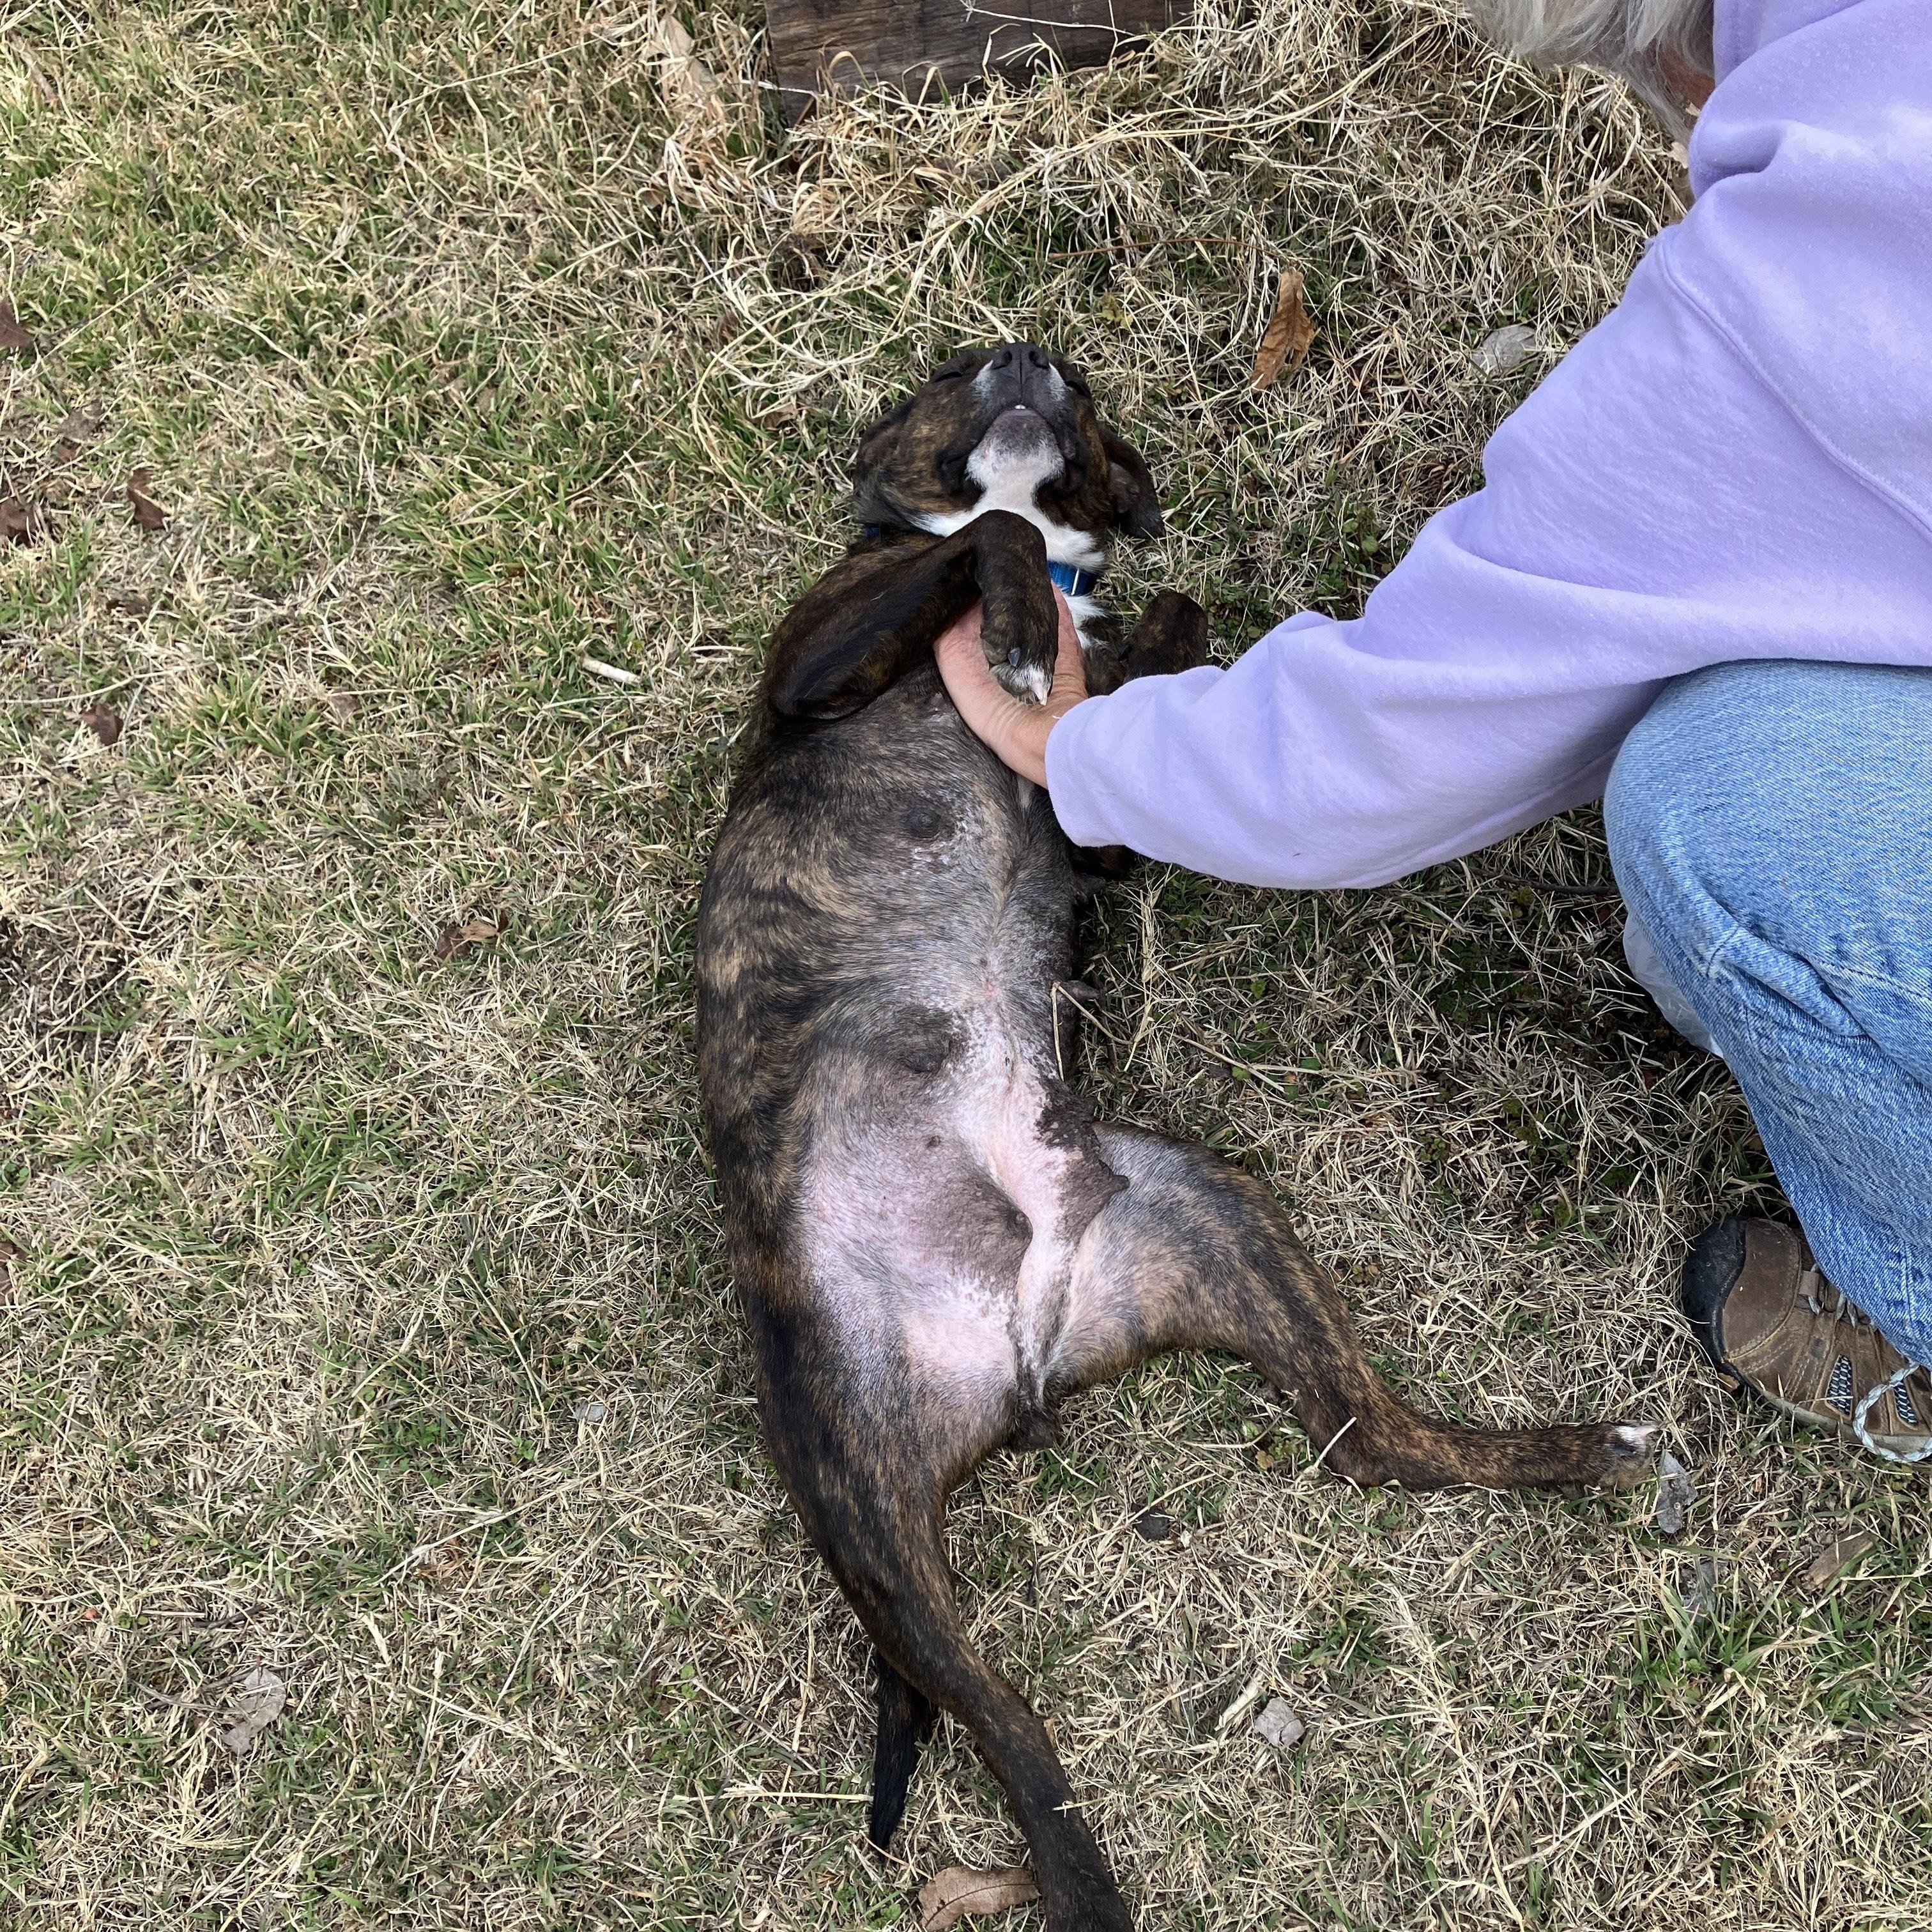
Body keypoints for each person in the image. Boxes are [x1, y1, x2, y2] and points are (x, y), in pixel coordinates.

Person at [935, 0, 1932, 1462]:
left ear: (1681, 65)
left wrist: (1083, 757)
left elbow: (1391, 737)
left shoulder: (1800, 289)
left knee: (1717, 820)